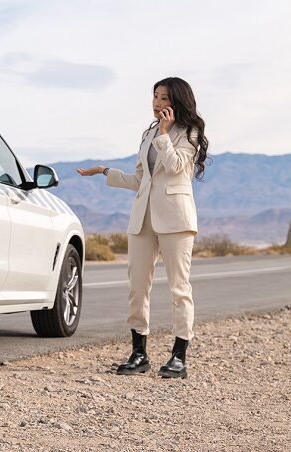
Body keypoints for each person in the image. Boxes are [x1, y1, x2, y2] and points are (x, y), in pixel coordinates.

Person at [78, 77, 209, 379]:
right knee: (138, 286)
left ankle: (179, 355)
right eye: (154, 97)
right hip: (143, 218)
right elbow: (141, 181)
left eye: (163, 98)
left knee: (179, 287)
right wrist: (106, 172)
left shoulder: (189, 133)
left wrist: (164, 133)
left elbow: (176, 167)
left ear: (176, 102)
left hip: (176, 219)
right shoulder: (148, 133)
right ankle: (139, 353)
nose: (156, 103)